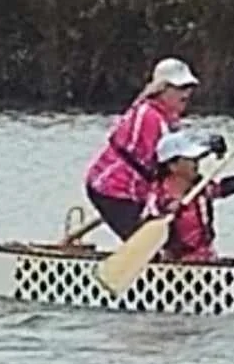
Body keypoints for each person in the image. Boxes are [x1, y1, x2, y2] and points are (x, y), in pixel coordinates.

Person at [84, 56, 199, 241]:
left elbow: (181, 151)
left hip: (136, 192)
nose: (186, 93)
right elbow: (170, 158)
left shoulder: (169, 118)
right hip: (111, 189)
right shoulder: (149, 116)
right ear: (162, 89)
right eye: (179, 88)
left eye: (189, 87)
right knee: (147, 241)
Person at [141, 126, 234, 263]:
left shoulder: (202, 188)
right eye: (192, 160)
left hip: (207, 259)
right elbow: (146, 228)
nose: (197, 164)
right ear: (172, 165)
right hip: (174, 264)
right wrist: (166, 212)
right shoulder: (157, 196)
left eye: (197, 160)